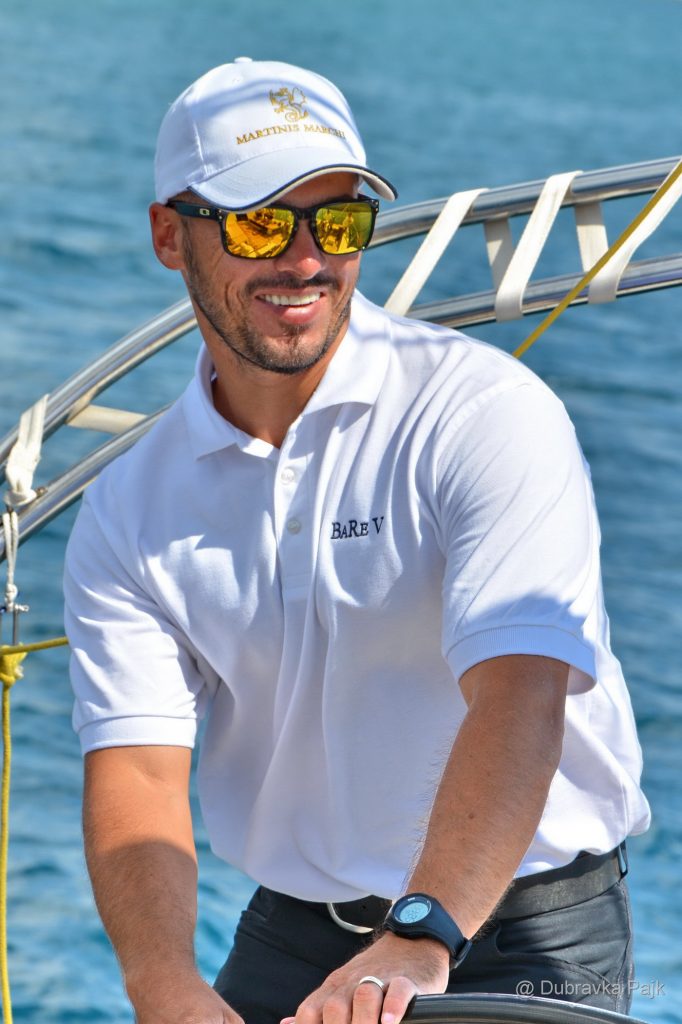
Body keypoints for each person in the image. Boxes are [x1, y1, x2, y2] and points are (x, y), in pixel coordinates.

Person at [63, 58, 650, 1024]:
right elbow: (136, 768)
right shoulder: (130, 506)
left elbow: (520, 691)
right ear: (171, 235)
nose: (306, 260)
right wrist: (164, 987)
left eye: (338, 222)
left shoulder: (484, 414)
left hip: (528, 928)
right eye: (261, 224)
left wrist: (421, 934)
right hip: (292, 931)